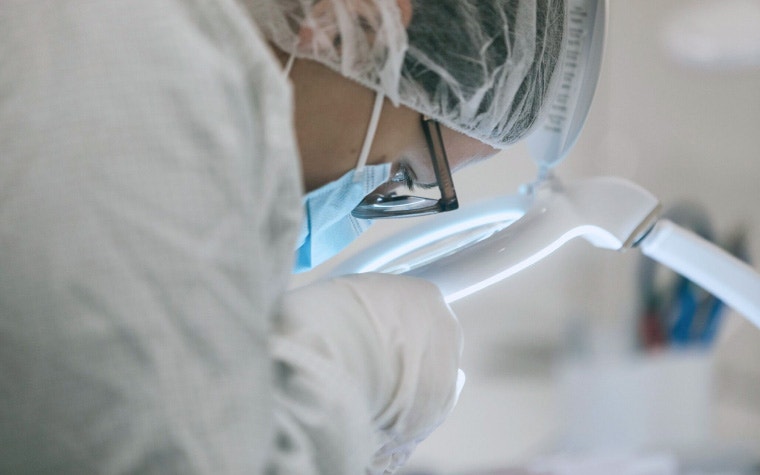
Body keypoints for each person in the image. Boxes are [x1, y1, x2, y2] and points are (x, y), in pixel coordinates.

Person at [0, 0, 564, 473]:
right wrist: (348, 361)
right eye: (409, 172)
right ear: (361, 22)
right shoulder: (144, 86)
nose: (370, 200)